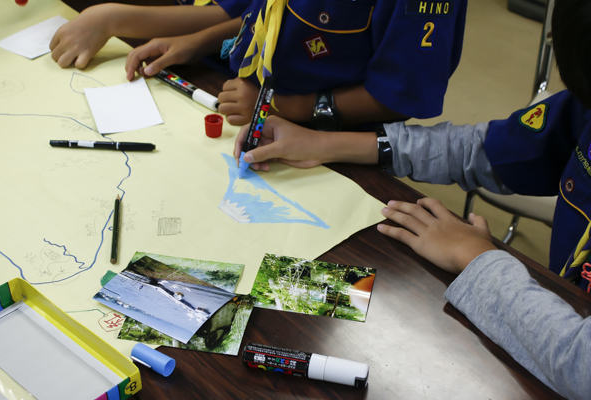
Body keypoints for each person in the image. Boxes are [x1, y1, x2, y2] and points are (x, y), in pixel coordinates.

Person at [232, 0, 591, 398]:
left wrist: (477, 258)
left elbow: (580, 365)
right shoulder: (583, 108)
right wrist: (330, 143)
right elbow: (483, 149)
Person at [50, 1, 468, 128]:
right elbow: (249, 9)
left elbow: (397, 97)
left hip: (324, 137)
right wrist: (199, 42)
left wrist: (281, 107)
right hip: (245, 105)